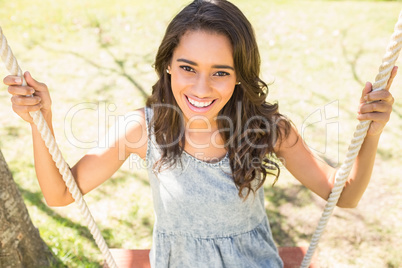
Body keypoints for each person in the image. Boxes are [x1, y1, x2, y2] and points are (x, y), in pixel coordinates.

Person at [3, 0, 397, 267]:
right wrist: (43, 121)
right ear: (168, 65)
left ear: (240, 75)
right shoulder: (143, 129)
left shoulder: (267, 130)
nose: (202, 88)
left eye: (220, 72)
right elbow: (58, 194)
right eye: (188, 67)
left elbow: (342, 196)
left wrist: (372, 133)